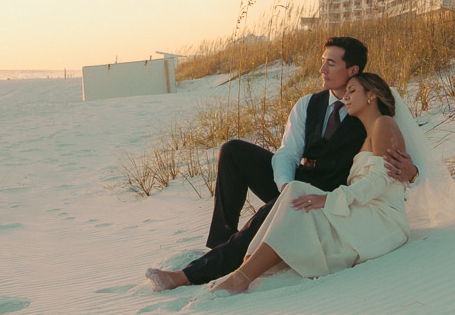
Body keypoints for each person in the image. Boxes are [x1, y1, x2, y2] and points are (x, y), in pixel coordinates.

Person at [146, 36, 420, 291]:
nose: (322, 68)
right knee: (233, 151)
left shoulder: (370, 108)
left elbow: (397, 162)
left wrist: (413, 173)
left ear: (352, 70)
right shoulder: (306, 104)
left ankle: (191, 275)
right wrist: (285, 185)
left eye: (331, 63)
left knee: (281, 208)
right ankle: (220, 244)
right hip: (297, 181)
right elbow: (287, 153)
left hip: (331, 194)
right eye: (322, 60)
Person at [210, 72, 408, 293]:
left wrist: (328, 199)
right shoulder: (368, 131)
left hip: (382, 220)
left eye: (352, 91)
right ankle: (246, 267)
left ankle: (242, 275)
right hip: (363, 209)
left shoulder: (383, 124)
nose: (346, 98)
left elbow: (379, 181)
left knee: (299, 197)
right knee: (296, 192)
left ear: (371, 95)